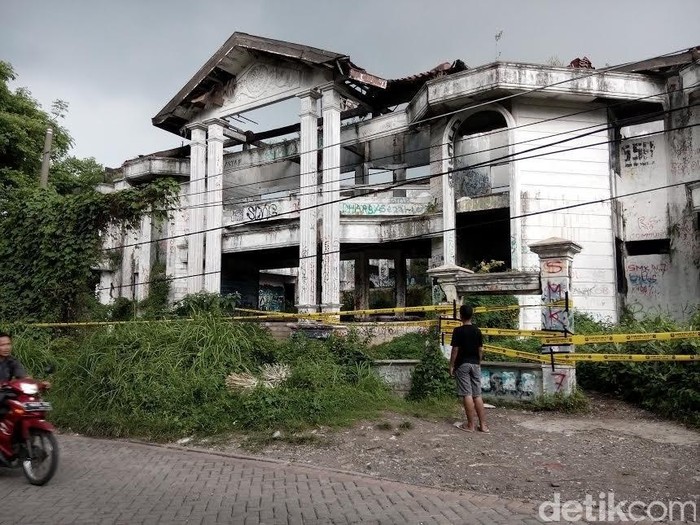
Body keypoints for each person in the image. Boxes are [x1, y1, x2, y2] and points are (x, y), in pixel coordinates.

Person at [449, 304, 489, 433]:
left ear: (460, 316)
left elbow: (455, 350)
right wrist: (479, 363)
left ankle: (470, 425)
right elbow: (480, 349)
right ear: (472, 315)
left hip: (462, 365)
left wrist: (451, 365)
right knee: (477, 395)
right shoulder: (477, 330)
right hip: (475, 364)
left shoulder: (458, 331)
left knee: (467, 394)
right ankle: (483, 426)